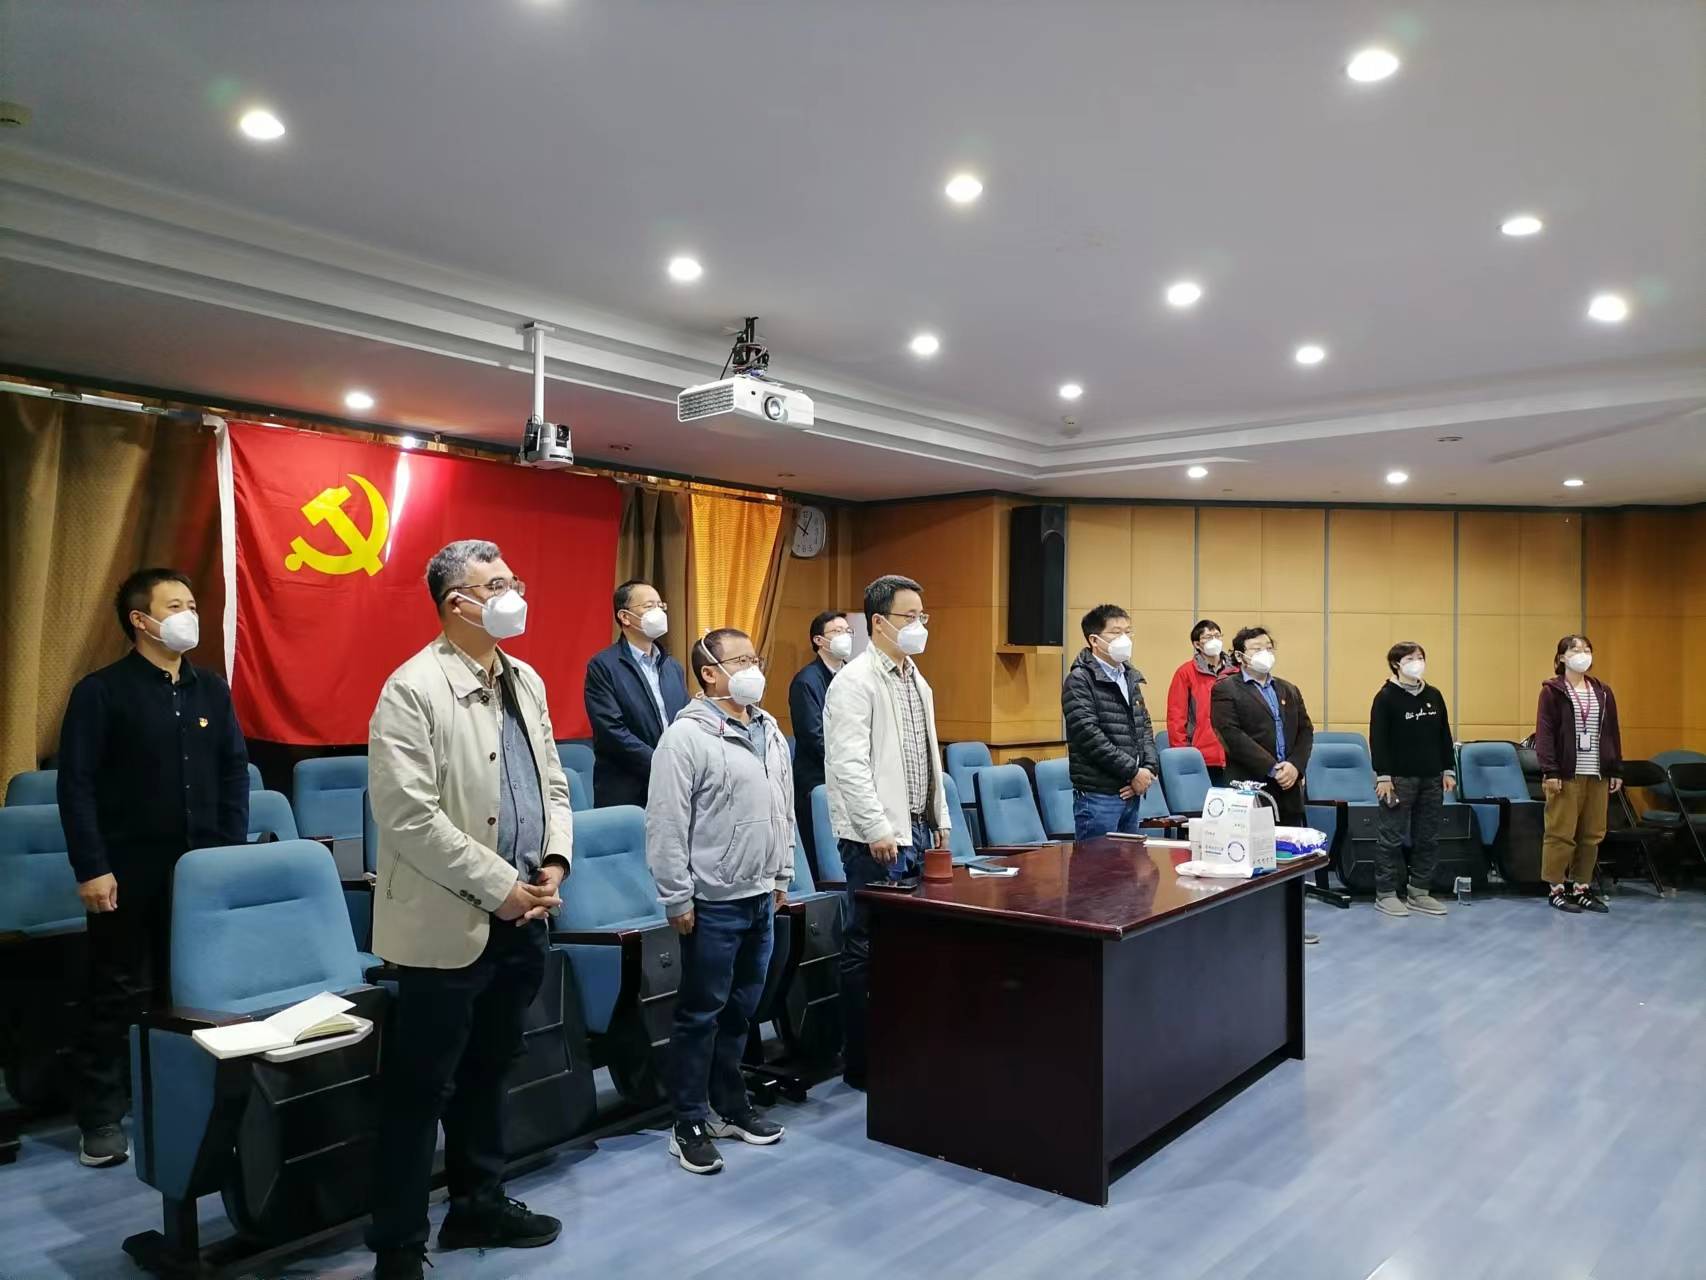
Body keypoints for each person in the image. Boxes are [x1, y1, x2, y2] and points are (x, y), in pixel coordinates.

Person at [366, 540, 573, 1280]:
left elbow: (553, 782)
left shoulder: (525, 679)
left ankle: (477, 1203)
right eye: (498, 585)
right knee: (421, 1088)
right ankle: (398, 1245)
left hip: (523, 915)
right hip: (446, 924)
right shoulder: (412, 688)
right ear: (459, 603)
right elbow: (408, 817)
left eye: (514, 580)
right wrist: (499, 886)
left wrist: (554, 861)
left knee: (490, 1070)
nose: (516, 594)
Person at [57, 568, 249, 1168]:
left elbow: (233, 771)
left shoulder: (210, 688)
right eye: (175, 606)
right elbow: (76, 786)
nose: (189, 614)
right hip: (126, 868)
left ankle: (183, 1101)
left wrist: (230, 851)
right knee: (116, 989)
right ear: (141, 620)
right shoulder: (101, 692)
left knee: (192, 989)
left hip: (202, 869)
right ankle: (101, 1116)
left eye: (191, 604)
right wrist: (92, 866)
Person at [647, 628, 793, 1175]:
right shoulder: (684, 738)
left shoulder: (769, 728)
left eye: (756, 657)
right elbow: (666, 823)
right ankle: (687, 1121)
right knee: (700, 1014)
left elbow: (783, 808)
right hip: (712, 899)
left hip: (761, 894)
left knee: (740, 1012)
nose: (753, 668)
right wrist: (677, 895)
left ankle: (730, 1106)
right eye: (741, 660)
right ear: (710, 672)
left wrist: (783, 872)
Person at [823, 574, 953, 1091]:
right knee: (867, 947)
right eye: (909, 616)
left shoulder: (916, 679)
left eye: (923, 616)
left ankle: (904, 1047)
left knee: (910, 947)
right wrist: (877, 826)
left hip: (916, 828)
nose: (920, 625)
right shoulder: (854, 681)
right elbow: (849, 765)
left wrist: (940, 820)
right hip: (874, 838)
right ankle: (862, 1062)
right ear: (879, 622)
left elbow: (929, 758)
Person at [1210, 626, 1320, 945]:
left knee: (1290, 859)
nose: (1265, 653)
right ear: (1240, 655)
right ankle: (1252, 928)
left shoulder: (1288, 689)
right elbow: (1231, 735)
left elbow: (1306, 731)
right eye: (1257, 648)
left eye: (1269, 647)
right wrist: (1273, 767)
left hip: (1289, 785)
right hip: (1251, 786)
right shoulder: (1226, 689)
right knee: (1252, 858)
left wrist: (1295, 766)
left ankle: (1291, 926)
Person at [1535, 634, 1623, 914]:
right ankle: (1556, 888)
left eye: (1587, 649)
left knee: (1592, 833)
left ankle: (1582, 887)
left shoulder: (1602, 691)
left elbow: (1612, 732)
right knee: (1561, 833)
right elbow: (1545, 733)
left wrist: (1615, 768)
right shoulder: (1552, 691)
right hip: (1565, 774)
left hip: (1597, 773)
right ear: (1562, 657)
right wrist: (1550, 770)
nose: (1582, 654)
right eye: (1575, 650)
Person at [1367, 642, 1456, 918]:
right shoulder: (1386, 697)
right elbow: (1378, 739)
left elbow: (1444, 735)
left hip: (1431, 777)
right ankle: (1386, 893)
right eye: (1410, 658)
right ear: (1396, 664)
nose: (1417, 662)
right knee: (1390, 837)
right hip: (1398, 779)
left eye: (1420, 657)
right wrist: (1383, 776)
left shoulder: (1434, 695)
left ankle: (1419, 890)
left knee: (1427, 836)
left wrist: (1448, 769)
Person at [583, 580, 689, 808]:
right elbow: (612, 730)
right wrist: (661, 763)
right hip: (626, 788)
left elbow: (684, 719)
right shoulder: (604, 665)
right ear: (625, 617)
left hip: (675, 784)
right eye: (649, 606)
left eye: (660, 605)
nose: (658, 612)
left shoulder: (672, 667)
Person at [1061, 604, 1162, 840]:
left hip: (1131, 791)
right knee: (1097, 863)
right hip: (1099, 795)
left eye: (1128, 631)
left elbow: (1144, 727)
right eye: (1116, 633)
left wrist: (1147, 770)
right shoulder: (1079, 679)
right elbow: (1089, 735)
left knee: (1128, 862)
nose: (1124, 639)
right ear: (1094, 640)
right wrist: (1132, 772)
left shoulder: (1129, 676)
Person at [787, 609, 852, 877]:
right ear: (818, 640)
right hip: (817, 779)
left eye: (848, 631)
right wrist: (851, 760)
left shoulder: (853, 675)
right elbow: (813, 736)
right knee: (822, 859)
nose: (845, 636)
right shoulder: (806, 681)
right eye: (837, 631)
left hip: (850, 778)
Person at [1166, 619, 1234, 784]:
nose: (1214, 640)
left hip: (1234, 756)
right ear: (1197, 644)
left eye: (1217, 635)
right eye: (1208, 637)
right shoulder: (1185, 672)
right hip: (1201, 757)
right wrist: (1183, 755)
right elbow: (1176, 717)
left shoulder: (1236, 671)